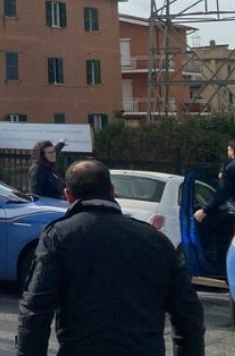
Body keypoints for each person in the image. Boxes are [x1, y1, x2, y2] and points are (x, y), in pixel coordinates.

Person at [17, 160, 205, 356]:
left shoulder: (59, 237)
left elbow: (35, 310)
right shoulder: (155, 240)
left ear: (68, 196)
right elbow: (188, 313)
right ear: (112, 192)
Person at [193, 139, 235, 224]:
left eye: (228, 149)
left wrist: (205, 210)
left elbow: (223, 192)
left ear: (232, 150)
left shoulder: (230, 167)